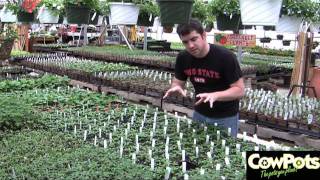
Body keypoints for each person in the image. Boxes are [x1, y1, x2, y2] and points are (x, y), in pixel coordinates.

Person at [163, 19, 245, 137]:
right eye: (185, 42)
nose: (190, 45)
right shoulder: (183, 57)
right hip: (199, 113)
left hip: (225, 117)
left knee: (223, 153)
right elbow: (178, 82)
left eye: (194, 39)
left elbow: (239, 90)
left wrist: (215, 95)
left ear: (204, 35)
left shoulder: (225, 57)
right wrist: (175, 87)